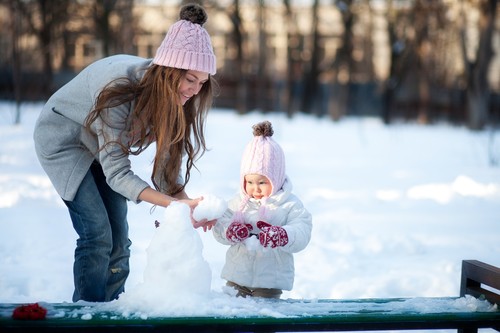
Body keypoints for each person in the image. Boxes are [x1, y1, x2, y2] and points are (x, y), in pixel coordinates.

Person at [33, 3, 217, 303]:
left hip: (100, 144)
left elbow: (165, 167)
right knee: (97, 236)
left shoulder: (173, 98)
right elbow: (117, 174)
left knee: (119, 241)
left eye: (201, 83)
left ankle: (111, 312)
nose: (194, 91)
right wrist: (172, 205)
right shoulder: (120, 87)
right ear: (169, 72)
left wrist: (187, 205)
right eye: (189, 79)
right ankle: (88, 316)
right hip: (64, 140)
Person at [213, 121, 312, 299]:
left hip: (269, 283)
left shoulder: (289, 204)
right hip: (236, 279)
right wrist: (230, 230)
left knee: (262, 322)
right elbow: (221, 223)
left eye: (262, 182)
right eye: (249, 182)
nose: (255, 189)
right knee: (233, 320)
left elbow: (302, 230)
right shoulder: (238, 203)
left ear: (276, 179)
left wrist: (283, 235)